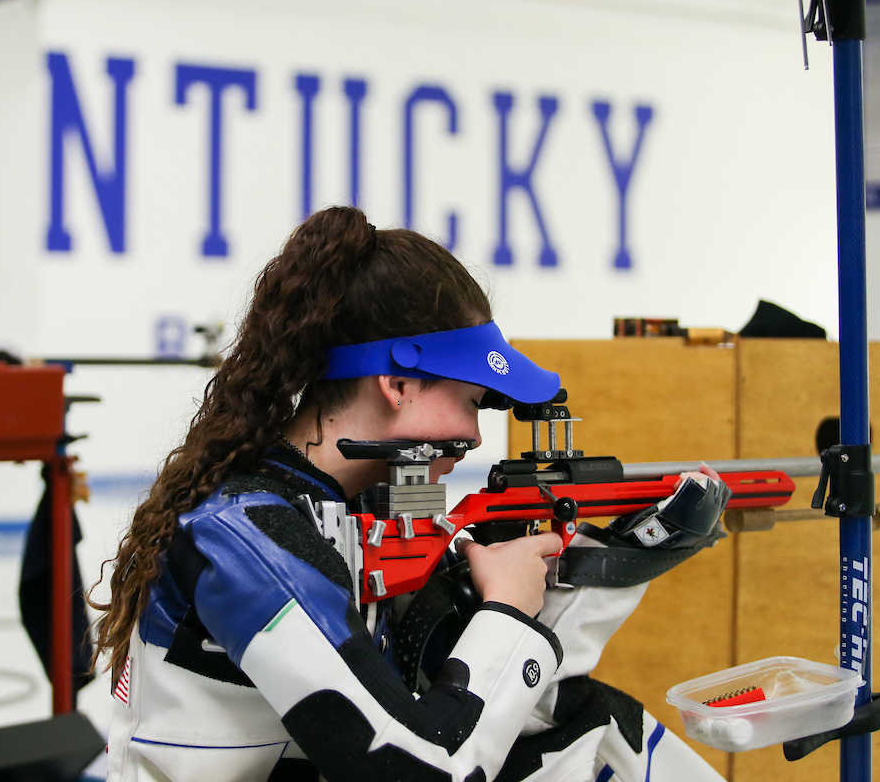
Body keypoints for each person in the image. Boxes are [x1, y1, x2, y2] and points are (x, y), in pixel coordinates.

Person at [93, 206, 732, 782]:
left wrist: (619, 551)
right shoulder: (248, 538)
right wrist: (506, 609)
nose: (473, 436)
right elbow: (420, 770)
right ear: (397, 383)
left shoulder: (373, 496)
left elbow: (475, 678)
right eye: (471, 402)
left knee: (594, 728)